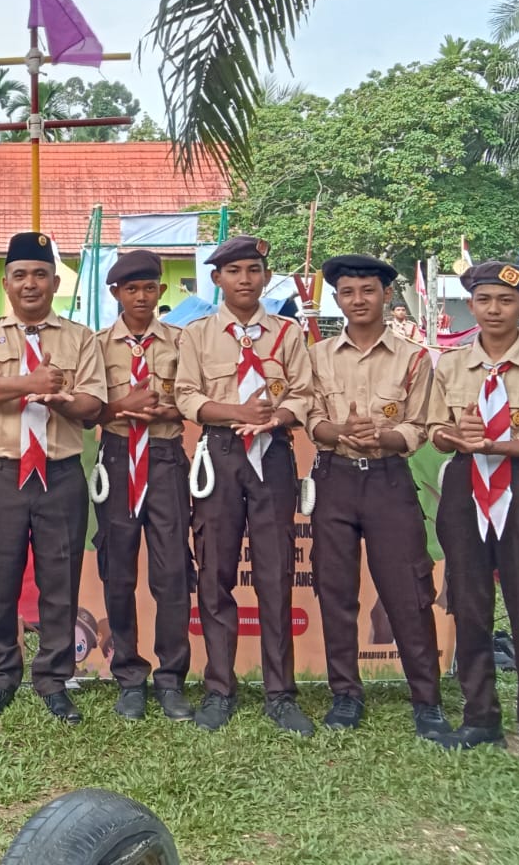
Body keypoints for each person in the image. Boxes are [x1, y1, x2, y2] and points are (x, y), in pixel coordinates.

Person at [428, 261, 519, 781]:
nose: (493, 310)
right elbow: (434, 428)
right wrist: (453, 437)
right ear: (472, 304)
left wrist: (497, 444)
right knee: (469, 606)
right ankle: (480, 717)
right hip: (466, 487)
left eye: (505, 301)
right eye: (484, 300)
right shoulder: (450, 365)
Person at [0, 232, 106, 723]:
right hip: (3, 472)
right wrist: (31, 384)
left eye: (40, 274)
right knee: (0, 575)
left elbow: (94, 406)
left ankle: (54, 678)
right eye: (20, 275)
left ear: (55, 281)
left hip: (61, 473)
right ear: (6, 283)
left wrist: (63, 398)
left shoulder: (79, 337)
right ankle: (1, 677)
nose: (30, 284)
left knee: (60, 579)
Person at [175, 235, 315, 736]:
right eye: (234, 271)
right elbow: (186, 396)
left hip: (273, 453)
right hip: (221, 453)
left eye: (254, 270)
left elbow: (304, 393)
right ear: (217, 279)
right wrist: (238, 412)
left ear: (265, 275)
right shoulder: (197, 335)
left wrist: (275, 417)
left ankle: (280, 693)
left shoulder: (288, 334)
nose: (245, 279)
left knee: (275, 574)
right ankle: (219, 688)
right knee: (215, 573)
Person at [305, 255, 449, 740]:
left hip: (389, 480)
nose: (358, 300)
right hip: (335, 479)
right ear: (337, 298)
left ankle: (426, 699)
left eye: (368, 290)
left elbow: (423, 424)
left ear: (387, 294)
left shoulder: (413, 357)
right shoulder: (318, 356)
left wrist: (384, 438)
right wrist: (339, 431)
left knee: (407, 592)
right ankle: (345, 693)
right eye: (348, 292)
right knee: (336, 590)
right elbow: (311, 419)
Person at [92, 250, 194, 723]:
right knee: (119, 571)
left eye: (149, 288)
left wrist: (166, 411)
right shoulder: (96, 346)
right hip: (116, 460)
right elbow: (89, 409)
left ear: (160, 291)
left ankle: (171, 679)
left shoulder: (180, 341)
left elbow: (194, 401)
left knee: (172, 571)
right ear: (115, 293)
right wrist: (121, 406)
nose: (141, 297)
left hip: (165, 458)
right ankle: (129, 676)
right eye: (131, 289)